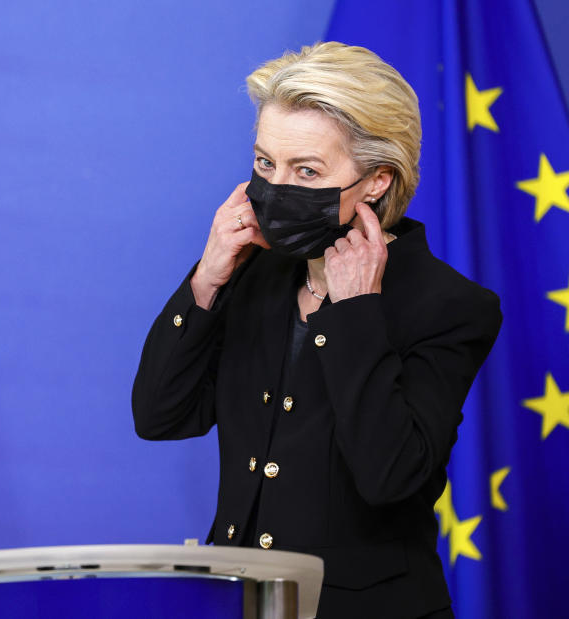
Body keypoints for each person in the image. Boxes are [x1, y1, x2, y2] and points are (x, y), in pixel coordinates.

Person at [131, 42, 502, 619]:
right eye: (264, 163)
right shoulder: (254, 273)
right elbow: (161, 416)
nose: (275, 188)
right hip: (241, 600)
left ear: (377, 181)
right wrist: (207, 278)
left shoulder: (451, 306)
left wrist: (354, 312)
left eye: (306, 170)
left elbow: (390, 477)